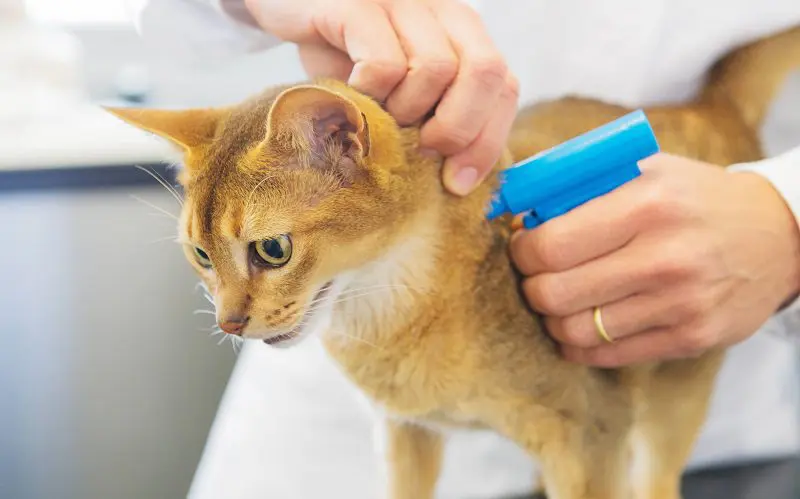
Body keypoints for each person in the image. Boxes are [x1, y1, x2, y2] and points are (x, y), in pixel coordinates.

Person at [131, 1, 800, 497]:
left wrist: (789, 216)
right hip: (322, 441)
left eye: (268, 250)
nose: (226, 315)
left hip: (727, 416)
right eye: (202, 261)